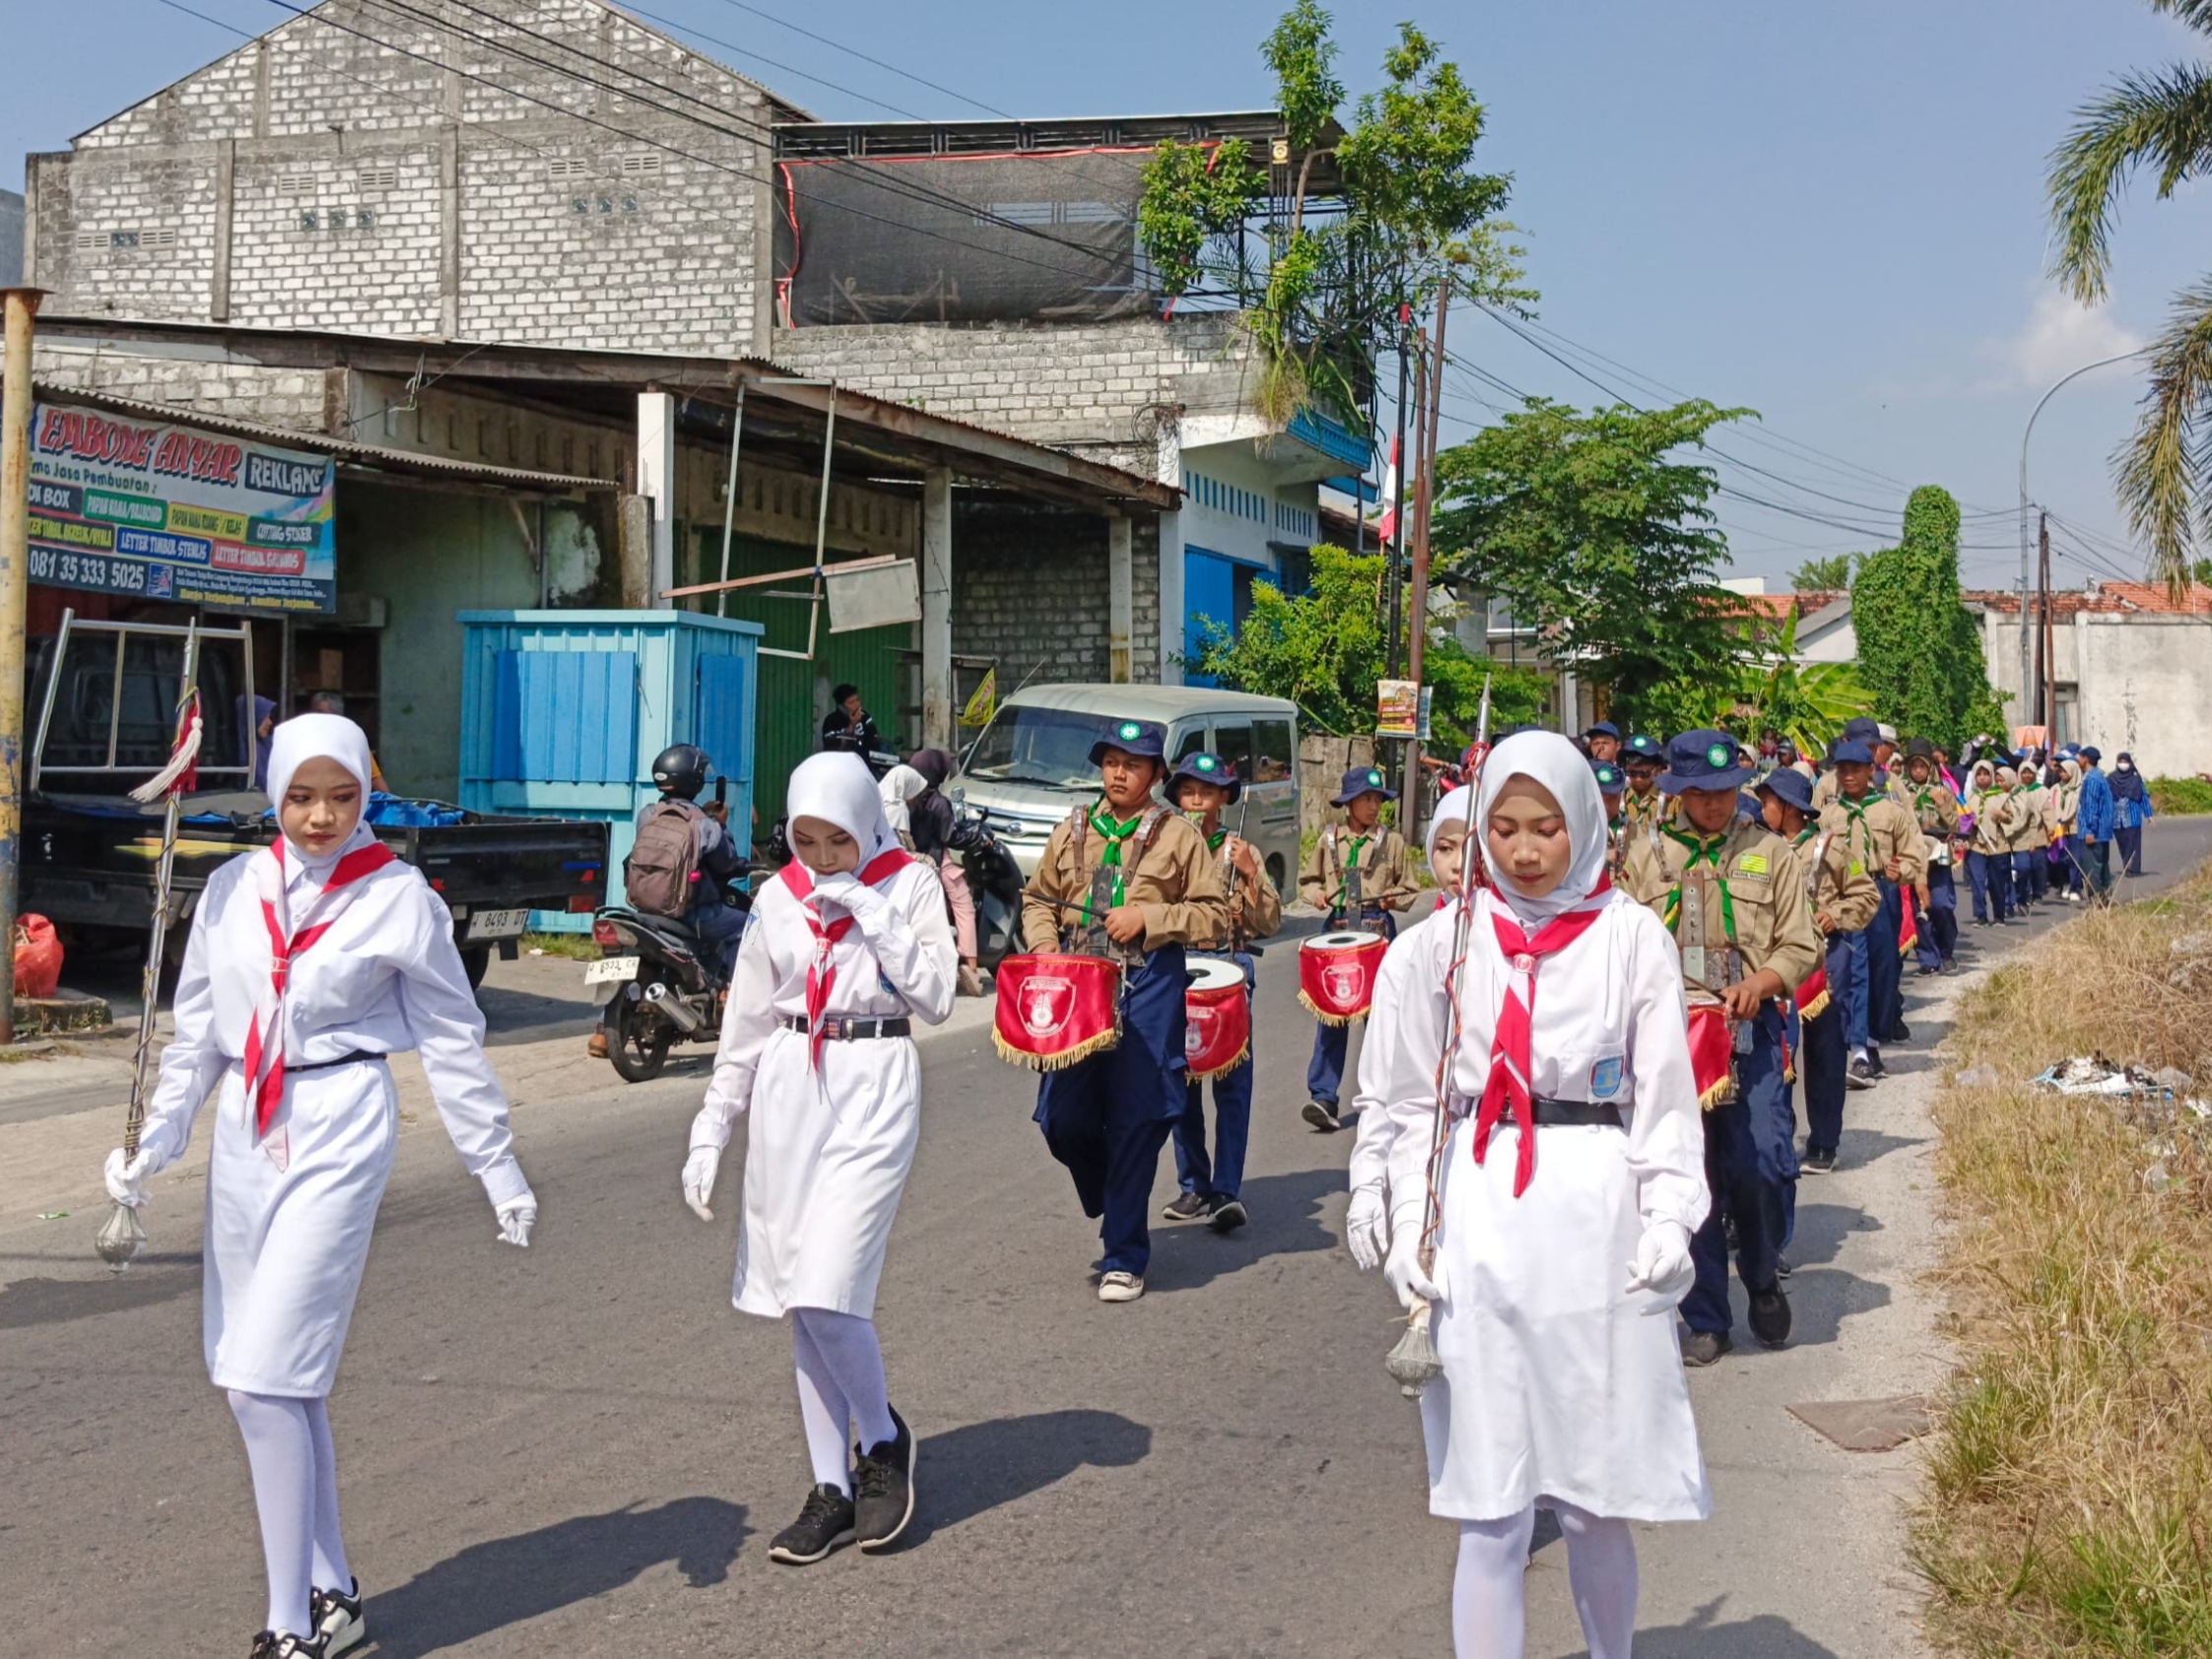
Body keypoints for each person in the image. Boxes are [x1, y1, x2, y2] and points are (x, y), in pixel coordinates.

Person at [101, 713, 537, 1659]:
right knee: (272, 1380)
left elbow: (452, 1036)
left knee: (264, 1379)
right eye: (301, 795)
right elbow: (200, 1038)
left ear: (365, 795)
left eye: (342, 796)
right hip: (249, 1135)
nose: (320, 816)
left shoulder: (397, 897)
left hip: (340, 1121)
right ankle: (335, 1592)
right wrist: (153, 1143)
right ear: (274, 792)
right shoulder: (229, 889)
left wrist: (493, 1163)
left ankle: (288, 1627)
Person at [1372, 732, 1709, 1659]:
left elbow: (1665, 1100)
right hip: (1479, 1212)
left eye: (1546, 829)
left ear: (1584, 827)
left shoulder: (1631, 935)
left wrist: (1671, 1215)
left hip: (1594, 1215)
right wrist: (1409, 1225)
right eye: (1504, 828)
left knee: (1597, 1499)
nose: (1523, 851)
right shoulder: (1440, 944)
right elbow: (1409, 1102)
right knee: (1491, 1506)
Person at [681, 752, 957, 1565]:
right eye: (806, 840)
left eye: (838, 840)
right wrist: (711, 1129)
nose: (823, 858)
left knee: (829, 1284)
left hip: (872, 1082)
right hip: (788, 1088)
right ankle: (829, 1486)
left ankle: (881, 1438)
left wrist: (869, 908)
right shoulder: (775, 896)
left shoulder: (907, 884)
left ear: (866, 823)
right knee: (795, 1299)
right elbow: (747, 1025)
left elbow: (935, 996)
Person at [1624, 730, 1822, 1365]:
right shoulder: (1646, 855)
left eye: (1726, 790)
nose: (1715, 803)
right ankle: (1706, 1313)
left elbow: (1801, 943)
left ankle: (1761, 1276)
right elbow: (1620, 945)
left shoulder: (1770, 850)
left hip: (1751, 1032)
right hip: (1673, 1039)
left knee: (1762, 1162)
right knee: (1693, 1175)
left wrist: (1760, 983)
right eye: (1701, 793)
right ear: (1678, 791)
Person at [1021, 719, 1229, 1302]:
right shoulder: (1074, 828)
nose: (1118, 772)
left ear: (1157, 775)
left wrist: (1152, 919)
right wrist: (1044, 950)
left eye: (1132, 764)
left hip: (1149, 984)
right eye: (1111, 761)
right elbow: (1037, 899)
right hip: (1078, 988)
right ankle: (1109, 1190)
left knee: (1140, 1120)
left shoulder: (1179, 834)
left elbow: (1214, 914)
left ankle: (1124, 1254)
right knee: (1060, 1118)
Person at [1341, 785, 1477, 1274]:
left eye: (1474, 844)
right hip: (1434, 1163)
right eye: (1445, 848)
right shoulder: (1409, 952)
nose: (1459, 863)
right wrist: (1369, 1180)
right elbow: (1383, 1084)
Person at [1163, 751, 1282, 1232]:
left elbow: (1268, 921)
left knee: (1232, 1086)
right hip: (1179, 971)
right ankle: (1193, 1185)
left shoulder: (1239, 850)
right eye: (1189, 791)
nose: (1197, 801)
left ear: (1223, 799)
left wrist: (1252, 874)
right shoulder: (1162, 848)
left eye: (1207, 793)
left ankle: (1227, 1190)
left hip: (1228, 970)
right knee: (1181, 1081)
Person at [1758, 766, 1874, 1186]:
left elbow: (1866, 895)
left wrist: (1835, 914)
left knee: (1826, 1051)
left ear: (1788, 807)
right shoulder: (1759, 847)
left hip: (1825, 960)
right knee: (1778, 1054)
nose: (1762, 808)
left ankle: (1825, 1141)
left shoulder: (1830, 848)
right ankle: (1778, 1134)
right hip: (1777, 962)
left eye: (1768, 800)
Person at [1297, 765, 1418, 1131]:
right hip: (1336, 928)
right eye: (1366, 798)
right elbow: (1309, 879)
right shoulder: (1329, 839)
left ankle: (1385, 1093)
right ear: (1349, 803)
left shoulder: (1391, 841)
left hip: (1376, 929)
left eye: (1378, 799)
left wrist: (1392, 900)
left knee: (1380, 1017)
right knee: (1332, 1014)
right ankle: (1323, 1096)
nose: (1373, 806)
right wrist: (1315, 895)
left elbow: (1408, 888)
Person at [1820, 738, 1919, 1082]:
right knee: (1853, 968)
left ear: (1870, 771)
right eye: (1842, 770)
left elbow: (1914, 851)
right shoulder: (1828, 816)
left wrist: (1902, 870)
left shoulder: (1890, 812)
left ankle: (1873, 1039)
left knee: (1883, 970)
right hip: (1843, 898)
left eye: (1855, 770)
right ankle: (1859, 1048)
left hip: (1881, 891)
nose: (1848, 776)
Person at [905, 748, 988, 997]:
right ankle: (972, 970)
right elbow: (948, 836)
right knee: (965, 905)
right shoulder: (938, 802)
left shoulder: (908, 800)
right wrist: (976, 836)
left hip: (911, 863)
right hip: (937, 862)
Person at [1900, 739, 1961, 975]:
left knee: (1942, 905)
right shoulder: (1901, 792)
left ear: (1930, 767)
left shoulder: (1942, 790)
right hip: (1913, 857)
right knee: (1919, 910)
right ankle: (1928, 959)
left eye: (1922, 766)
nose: (1917, 771)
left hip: (1938, 856)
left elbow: (1954, 823)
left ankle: (1946, 953)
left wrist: (1942, 805)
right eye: (1913, 766)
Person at [1961, 760, 2016, 925]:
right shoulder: (1969, 798)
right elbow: (1962, 820)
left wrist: (2002, 816)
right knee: (1977, 882)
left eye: (1986, 774)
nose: (1983, 778)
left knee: (1997, 883)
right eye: (1979, 774)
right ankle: (1981, 916)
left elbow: (2011, 818)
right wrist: (1971, 822)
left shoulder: (2001, 796)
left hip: (1997, 846)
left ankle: (1999, 915)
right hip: (1976, 845)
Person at [303, 692, 389, 792]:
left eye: (320, 713)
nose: (314, 717)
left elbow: (376, 781)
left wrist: (393, 805)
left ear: (337, 716)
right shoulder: (304, 741)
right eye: (313, 712)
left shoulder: (354, 743)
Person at [2076, 746, 2117, 902]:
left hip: (2094, 832)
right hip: (2101, 832)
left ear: (2085, 759)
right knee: (2101, 867)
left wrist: (2089, 830)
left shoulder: (2092, 779)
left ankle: (2097, 900)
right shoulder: (2097, 776)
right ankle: (2104, 899)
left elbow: (2091, 807)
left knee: (2092, 869)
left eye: (2080, 756)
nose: (2078, 759)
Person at [2111, 752, 2154, 877]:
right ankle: (2126, 865)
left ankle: (2133, 868)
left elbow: (2143, 797)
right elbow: (2107, 798)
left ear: (2130, 763)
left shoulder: (2136, 779)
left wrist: (2149, 815)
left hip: (2132, 817)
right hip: (2117, 819)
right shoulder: (2111, 778)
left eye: (2125, 762)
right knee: (2122, 844)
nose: (2123, 764)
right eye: (2121, 761)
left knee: (2133, 843)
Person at [820, 683, 884, 759]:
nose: (856, 704)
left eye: (857, 700)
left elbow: (874, 741)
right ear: (841, 706)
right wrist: (852, 725)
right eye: (851, 703)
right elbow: (832, 748)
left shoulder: (865, 717)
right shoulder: (831, 720)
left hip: (865, 762)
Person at [1621, 734, 1669, 833]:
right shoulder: (1619, 800)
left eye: (1644, 774)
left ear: (1657, 770)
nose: (1638, 779)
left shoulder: (1670, 801)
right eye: (1632, 773)